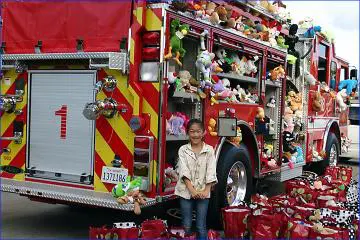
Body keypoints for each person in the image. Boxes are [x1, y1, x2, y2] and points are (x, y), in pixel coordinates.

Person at [175, 119, 218, 239]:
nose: (195, 135)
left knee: (200, 226)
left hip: (204, 192)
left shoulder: (209, 150)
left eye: (198, 131)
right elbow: (183, 171)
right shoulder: (183, 150)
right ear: (187, 133)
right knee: (187, 225)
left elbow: (211, 170)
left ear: (204, 132)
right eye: (192, 131)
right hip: (185, 192)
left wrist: (206, 190)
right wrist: (192, 190)